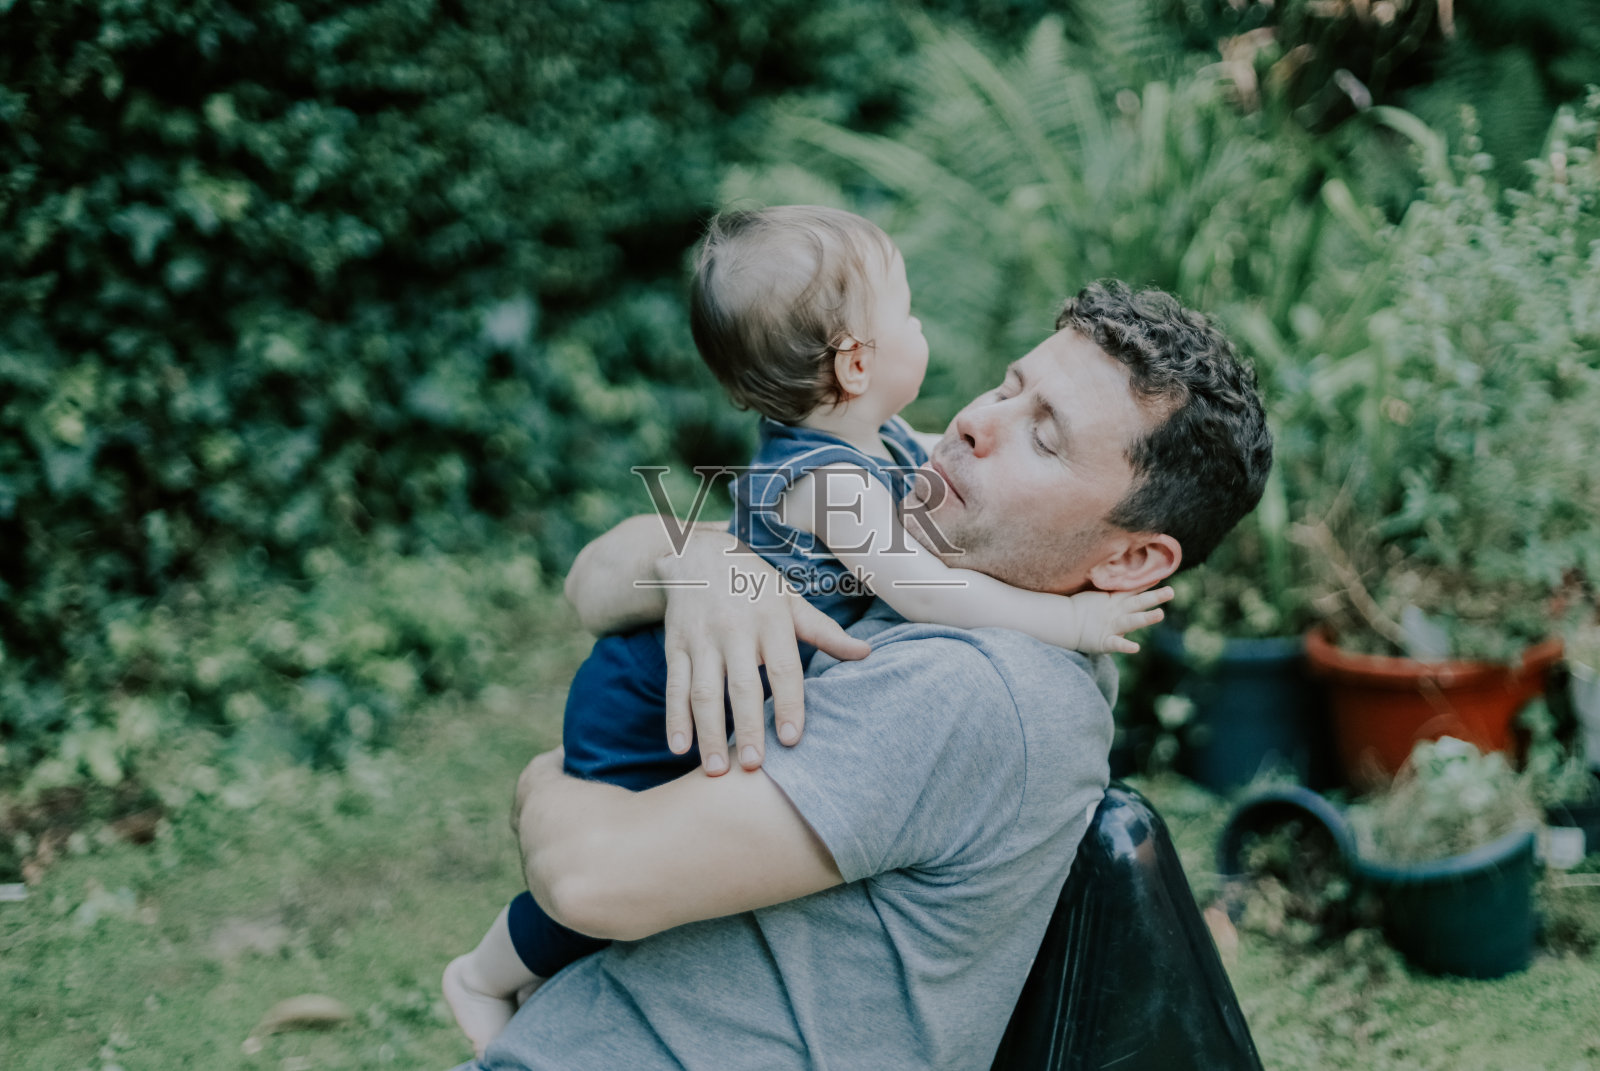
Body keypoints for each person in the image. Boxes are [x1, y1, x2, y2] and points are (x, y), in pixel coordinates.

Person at [448, 280, 1272, 1071]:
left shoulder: (978, 689)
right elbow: (590, 581)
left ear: (1131, 560)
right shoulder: (927, 517)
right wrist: (703, 555)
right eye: (1008, 386)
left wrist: (545, 782)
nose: (978, 420)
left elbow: (588, 877)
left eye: (1045, 435)